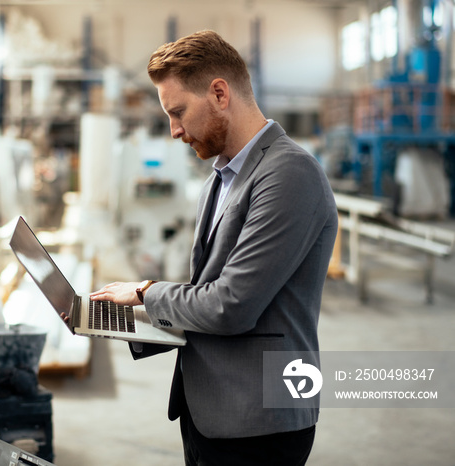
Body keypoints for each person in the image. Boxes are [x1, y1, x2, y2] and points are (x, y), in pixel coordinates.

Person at [89, 30, 338, 465]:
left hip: (259, 423)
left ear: (219, 93)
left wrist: (147, 292)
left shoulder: (289, 175)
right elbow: (206, 294)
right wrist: (127, 318)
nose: (174, 130)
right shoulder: (220, 178)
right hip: (211, 411)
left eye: (178, 111)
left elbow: (231, 304)